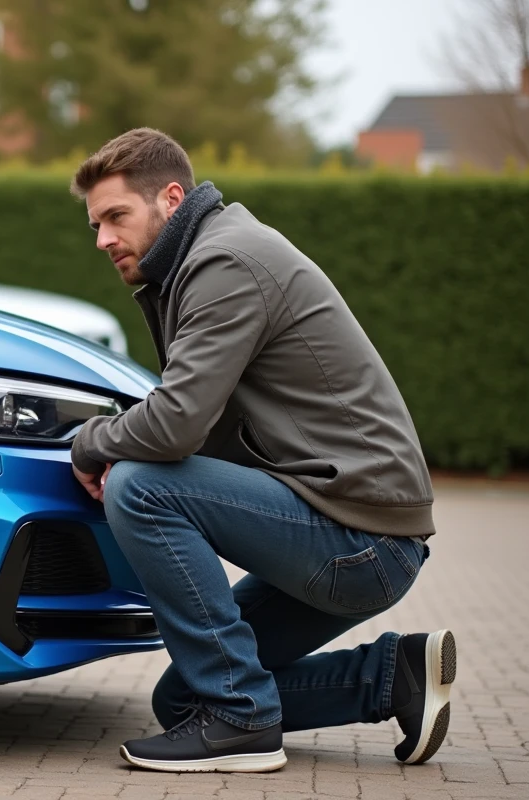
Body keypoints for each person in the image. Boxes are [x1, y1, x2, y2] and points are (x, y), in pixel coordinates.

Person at [68, 128, 455, 774]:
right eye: (95, 225)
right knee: (186, 697)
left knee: (139, 485)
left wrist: (89, 444)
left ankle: (244, 725)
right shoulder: (206, 259)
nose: (104, 238)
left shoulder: (225, 262)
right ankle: (393, 677)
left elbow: (176, 427)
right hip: (360, 529)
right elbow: (202, 423)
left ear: (170, 198)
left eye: (116, 217)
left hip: (361, 540)